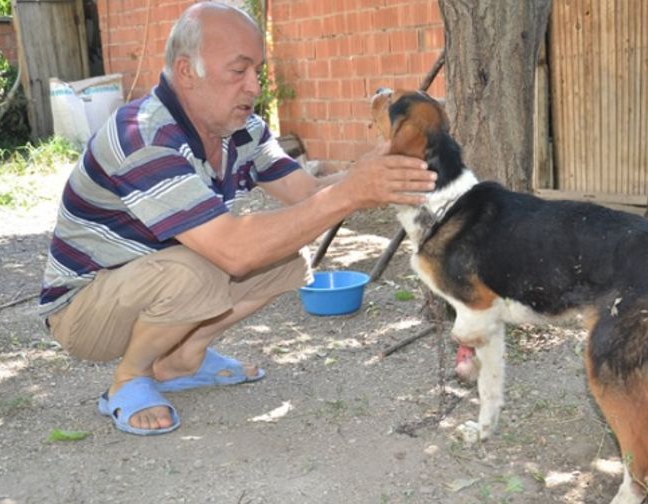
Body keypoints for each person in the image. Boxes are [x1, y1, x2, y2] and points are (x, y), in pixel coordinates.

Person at [38, 1, 435, 436]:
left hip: (153, 282)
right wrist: (351, 192)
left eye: (257, 71)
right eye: (238, 70)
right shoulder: (143, 136)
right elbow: (235, 252)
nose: (254, 86)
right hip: (84, 310)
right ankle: (130, 379)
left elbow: (306, 195)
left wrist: (373, 169)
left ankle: (181, 358)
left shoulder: (242, 130)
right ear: (188, 72)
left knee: (288, 258)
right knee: (202, 270)